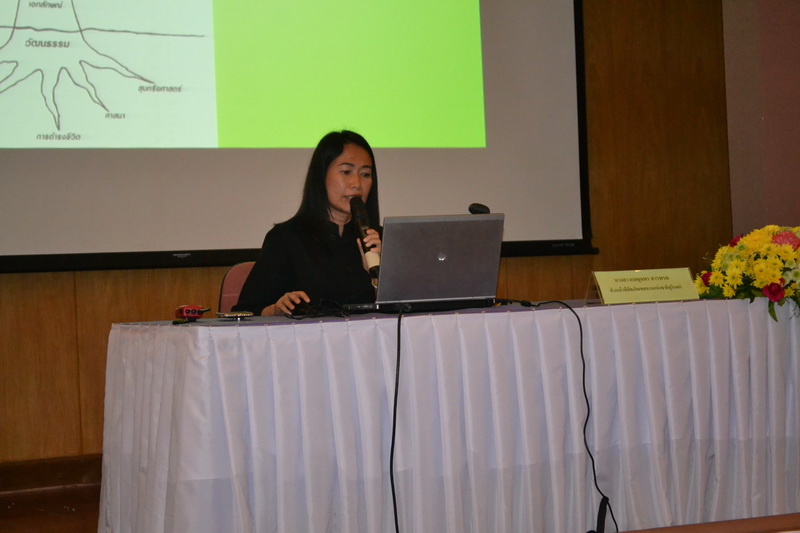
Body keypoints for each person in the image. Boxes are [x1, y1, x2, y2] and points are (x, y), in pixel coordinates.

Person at [233, 130, 382, 316]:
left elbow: (406, 313)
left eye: (365, 174)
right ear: (321, 176)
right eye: (346, 172)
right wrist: (276, 310)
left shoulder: (381, 241)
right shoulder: (286, 238)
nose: (357, 183)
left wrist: (378, 278)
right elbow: (246, 312)